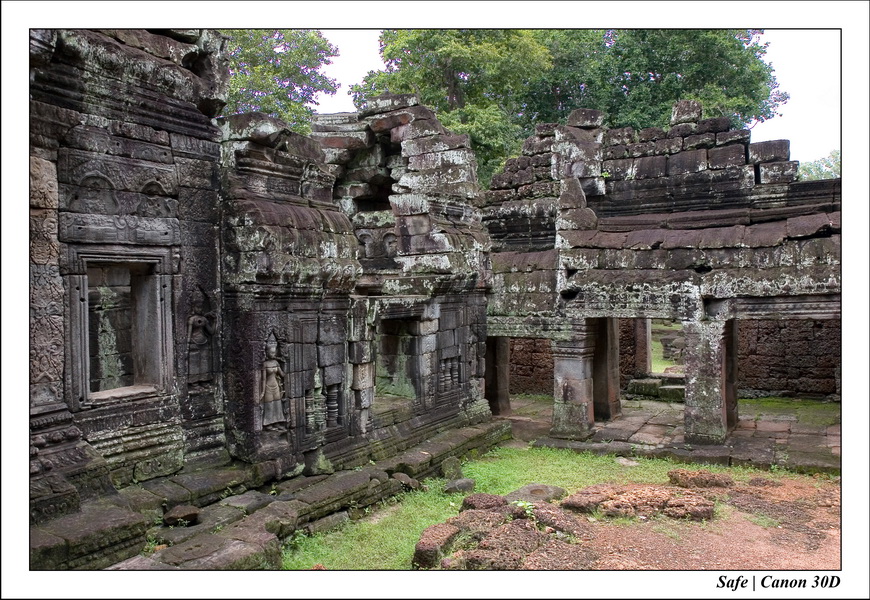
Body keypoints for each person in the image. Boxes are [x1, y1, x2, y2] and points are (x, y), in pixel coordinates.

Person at [187, 296, 215, 382]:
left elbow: (211, 331)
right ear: (193, 307)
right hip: (194, 342)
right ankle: (194, 381)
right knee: (194, 362)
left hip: (204, 341)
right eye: (197, 307)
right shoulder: (192, 319)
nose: (199, 309)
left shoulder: (204, 319)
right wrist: (187, 345)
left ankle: (204, 379)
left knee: (205, 361)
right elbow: (189, 334)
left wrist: (215, 322)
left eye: (201, 307)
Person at [261, 340, 286, 430]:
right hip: (268, 386)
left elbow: (282, 374)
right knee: (269, 405)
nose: (273, 354)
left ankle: (278, 422)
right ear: (267, 353)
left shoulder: (276, 363)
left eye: (274, 352)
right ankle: (268, 424)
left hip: (276, 386)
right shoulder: (265, 364)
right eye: (271, 352)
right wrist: (262, 392)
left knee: (277, 404)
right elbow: (263, 379)